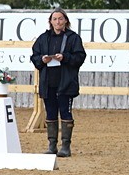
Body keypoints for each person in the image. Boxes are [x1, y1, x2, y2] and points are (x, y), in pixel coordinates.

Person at [30, 9, 87, 158]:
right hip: (48, 82)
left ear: (66, 21)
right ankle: (52, 146)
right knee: (50, 113)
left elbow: (80, 57)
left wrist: (65, 57)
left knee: (66, 113)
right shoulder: (43, 38)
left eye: (60, 19)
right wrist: (42, 59)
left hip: (66, 82)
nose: (57, 22)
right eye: (54, 19)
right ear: (50, 21)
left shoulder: (73, 38)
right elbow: (34, 56)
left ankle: (66, 147)